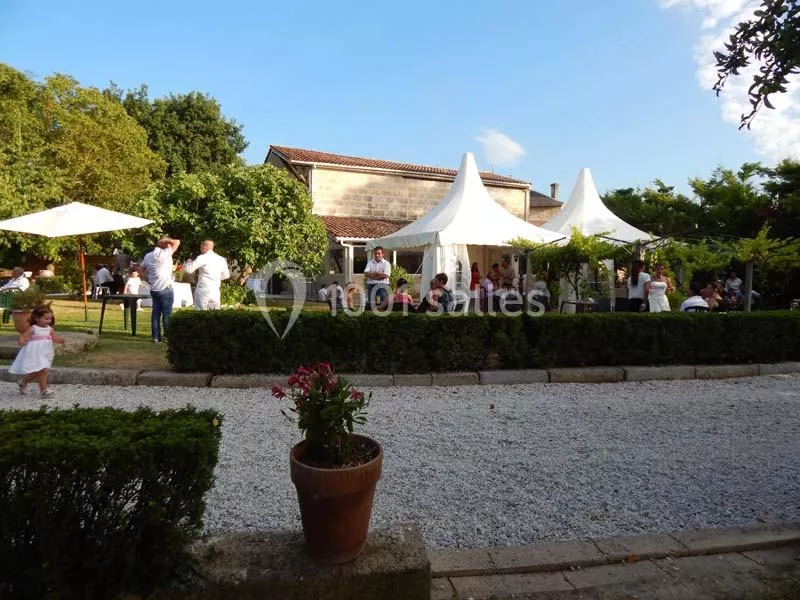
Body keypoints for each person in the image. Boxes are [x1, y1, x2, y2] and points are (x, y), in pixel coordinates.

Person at [9, 304, 65, 397]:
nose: (49, 321)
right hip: (34, 353)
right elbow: (23, 336)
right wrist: (21, 341)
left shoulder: (49, 329)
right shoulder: (33, 328)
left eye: (50, 319)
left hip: (45, 352)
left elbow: (54, 338)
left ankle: (23, 382)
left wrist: (60, 340)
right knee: (42, 370)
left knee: (39, 371)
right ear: (36, 318)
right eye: (46, 318)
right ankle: (44, 390)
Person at [139, 235, 180, 343]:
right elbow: (177, 241)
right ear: (165, 245)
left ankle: (155, 337)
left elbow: (140, 269)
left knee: (155, 313)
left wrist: (146, 279)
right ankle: (167, 336)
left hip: (154, 288)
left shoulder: (148, 256)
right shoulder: (165, 253)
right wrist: (166, 241)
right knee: (167, 314)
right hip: (165, 288)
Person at [183, 240, 230, 310]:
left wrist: (188, 262)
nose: (200, 249)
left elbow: (189, 270)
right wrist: (215, 277)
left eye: (200, 247)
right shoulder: (222, 259)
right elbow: (226, 275)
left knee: (200, 312)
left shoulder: (202, 257)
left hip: (203, 289)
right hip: (215, 290)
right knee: (215, 312)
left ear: (204, 247)